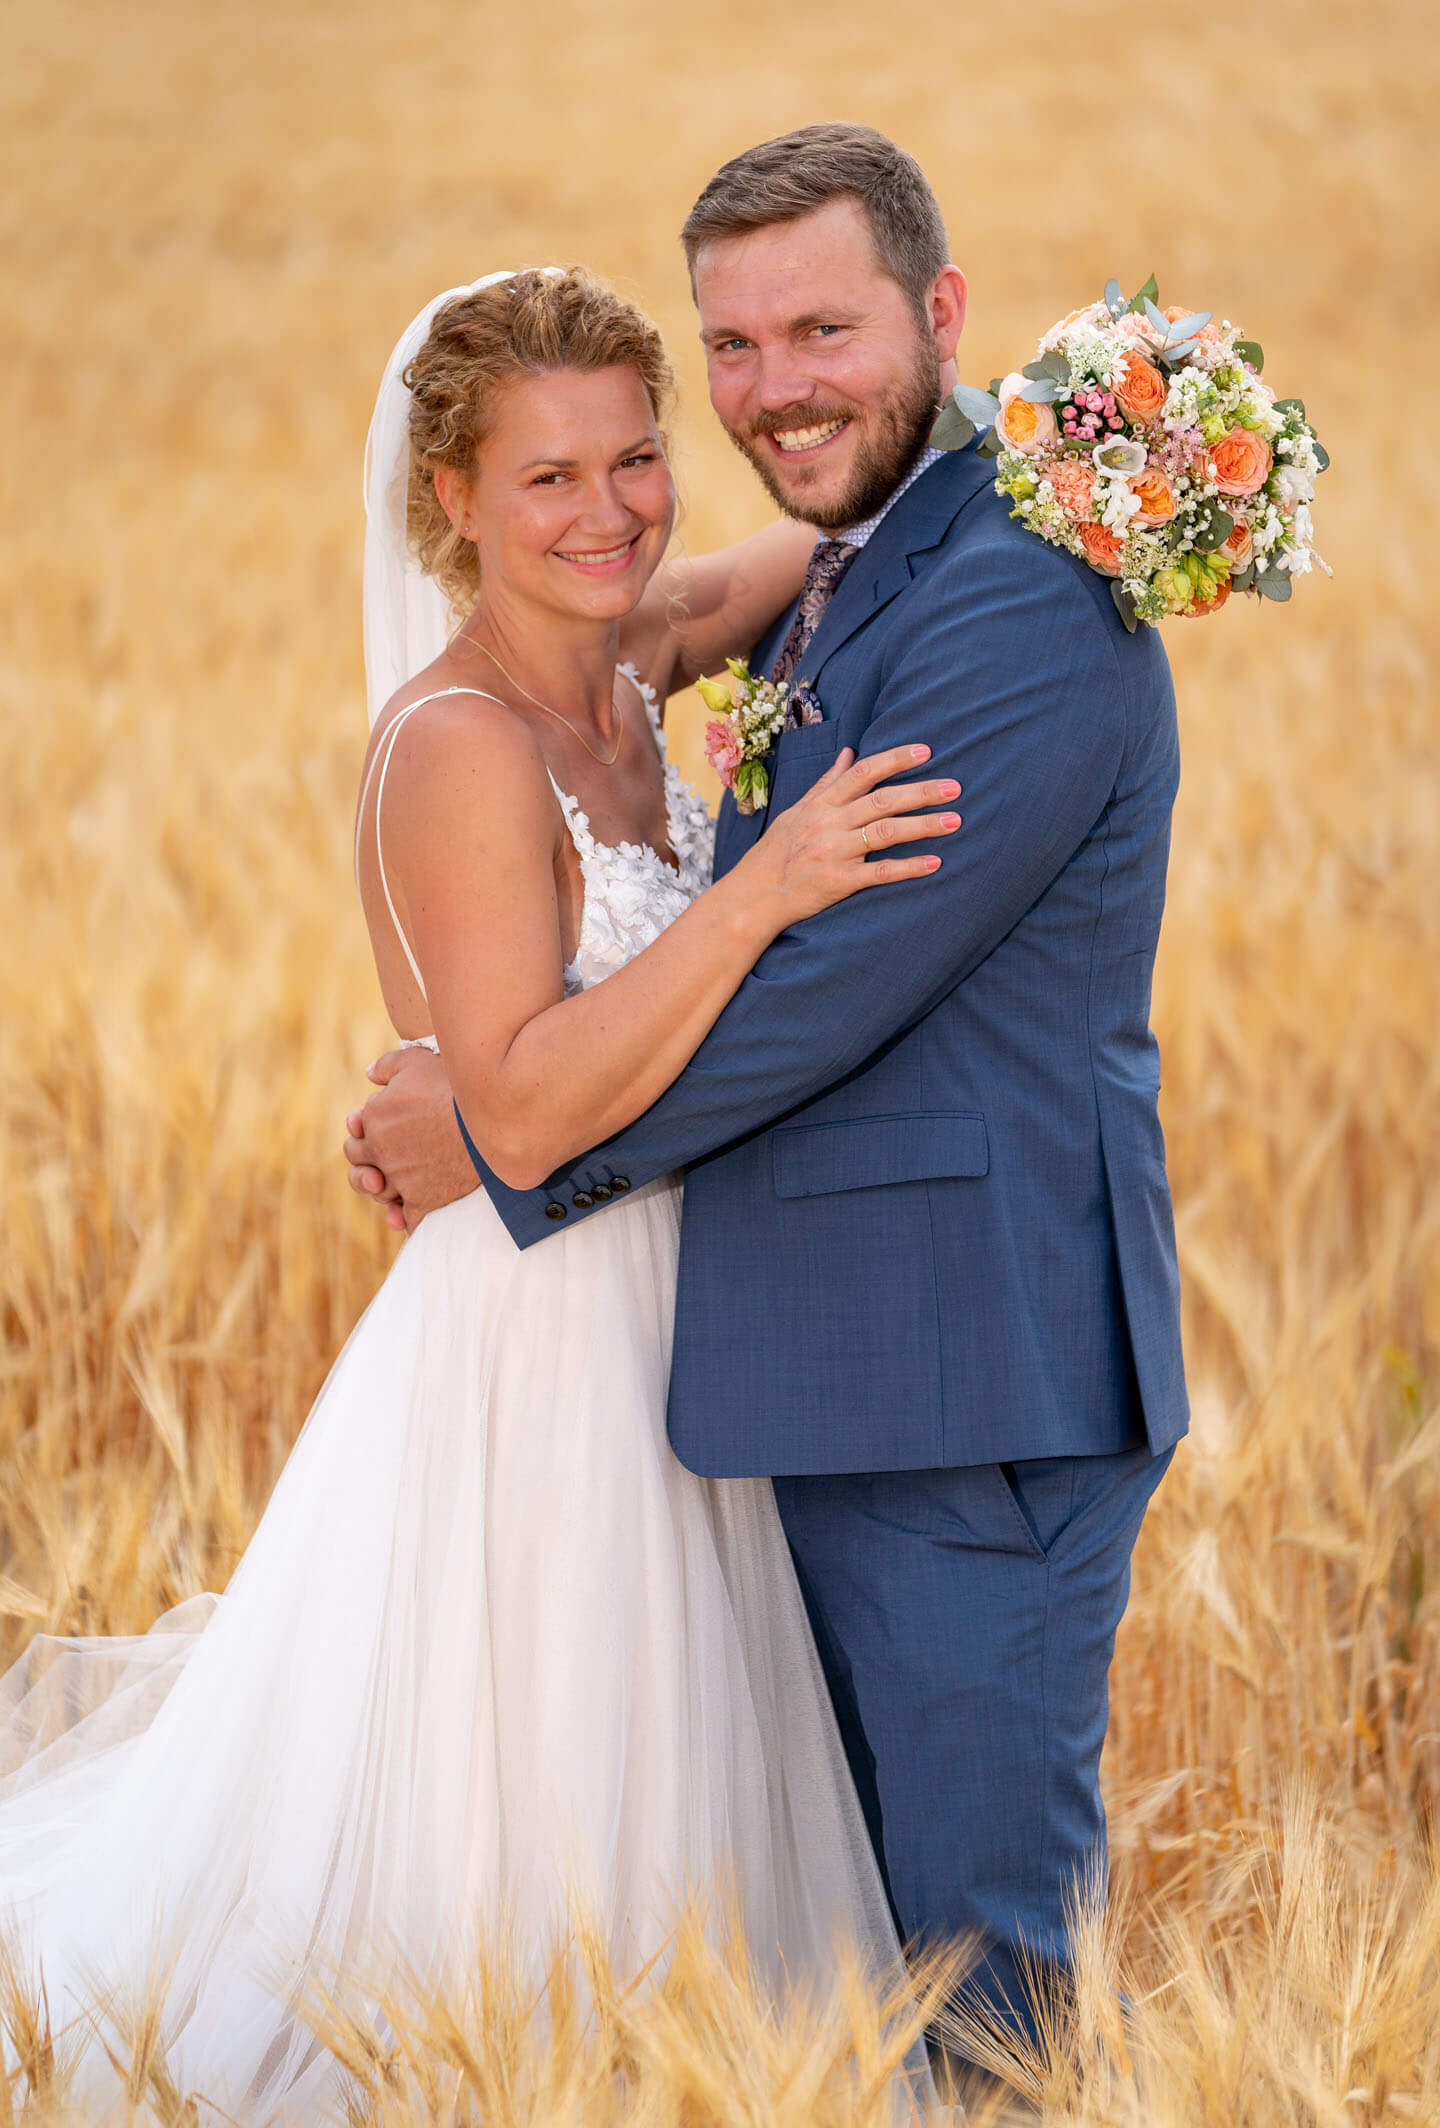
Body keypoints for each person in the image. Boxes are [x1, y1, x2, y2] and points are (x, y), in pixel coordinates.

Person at [0, 265, 957, 2117]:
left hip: (682, 1304)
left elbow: (816, 552)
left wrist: (1056, 441)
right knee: (547, 1807)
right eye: (546, 481)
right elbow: (515, 1116)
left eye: (637, 459)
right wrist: (766, 891)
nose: (608, 513)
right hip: (547, 1343)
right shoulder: (457, 746)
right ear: (449, 501)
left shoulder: (626, 652)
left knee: (682, 1798)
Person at [345, 124, 1190, 2061]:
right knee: (689, 1920)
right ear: (454, 500)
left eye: (821, 329)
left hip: (968, 1394)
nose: (768, 392)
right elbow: (790, 555)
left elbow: (820, 994)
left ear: (943, 316)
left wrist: (493, 1140)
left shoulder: (1004, 599)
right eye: (732, 348)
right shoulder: (837, 565)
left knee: (971, 1991)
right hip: (719, 1379)